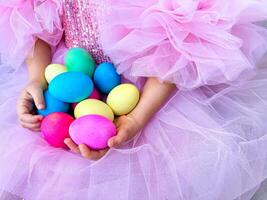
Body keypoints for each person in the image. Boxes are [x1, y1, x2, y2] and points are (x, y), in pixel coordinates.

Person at [1, 0, 267, 199]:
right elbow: (34, 19)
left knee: (154, 175)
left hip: (148, 87)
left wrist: (136, 119)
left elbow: (176, 45)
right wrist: (37, 77)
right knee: (58, 169)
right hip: (69, 77)